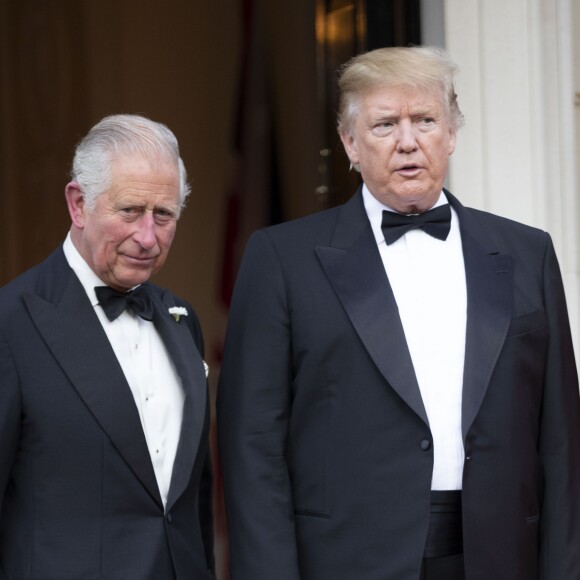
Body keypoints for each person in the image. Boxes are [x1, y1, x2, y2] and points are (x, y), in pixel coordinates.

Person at [217, 46, 580, 580]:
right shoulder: (281, 260)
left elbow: (561, 442)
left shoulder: (528, 253)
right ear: (350, 143)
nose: (408, 141)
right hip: (346, 562)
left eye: (425, 120)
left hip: (502, 558)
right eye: (385, 124)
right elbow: (252, 446)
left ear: (452, 134)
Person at [0, 114, 214, 579]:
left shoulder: (181, 319)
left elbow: (192, 499)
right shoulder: (10, 323)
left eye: (164, 215)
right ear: (78, 204)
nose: (148, 237)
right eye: (130, 211)